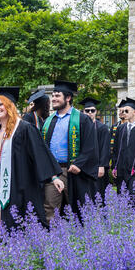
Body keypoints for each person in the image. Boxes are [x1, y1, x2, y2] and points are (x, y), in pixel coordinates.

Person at [0, 87, 62, 230]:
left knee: (19, 223)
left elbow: (39, 152)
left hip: (21, 185)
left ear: (10, 106)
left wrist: (53, 177)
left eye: (0, 104)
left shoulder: (24, 128)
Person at [41, 81, 99, 218]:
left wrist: (79, 163)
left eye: (57, 96)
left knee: (79, 208)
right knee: (50, 207)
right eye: (53, 96)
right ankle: (51, 237)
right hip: (53, 171)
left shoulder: (82, 119)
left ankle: (80, 238)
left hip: (73, 171)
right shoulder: (49, 121)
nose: (53, 99)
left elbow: (90, 146)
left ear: (68, 98)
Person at [79, 97, 110, 201]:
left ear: (96, 112)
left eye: (92, 110)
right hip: (82, 166)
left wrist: (102, 166)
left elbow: (105, 149)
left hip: (97, 166)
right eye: (87, 111)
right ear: (83, 112)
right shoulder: (79, 127)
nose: (90, 113)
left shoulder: (102, 128)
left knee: (98, 193)